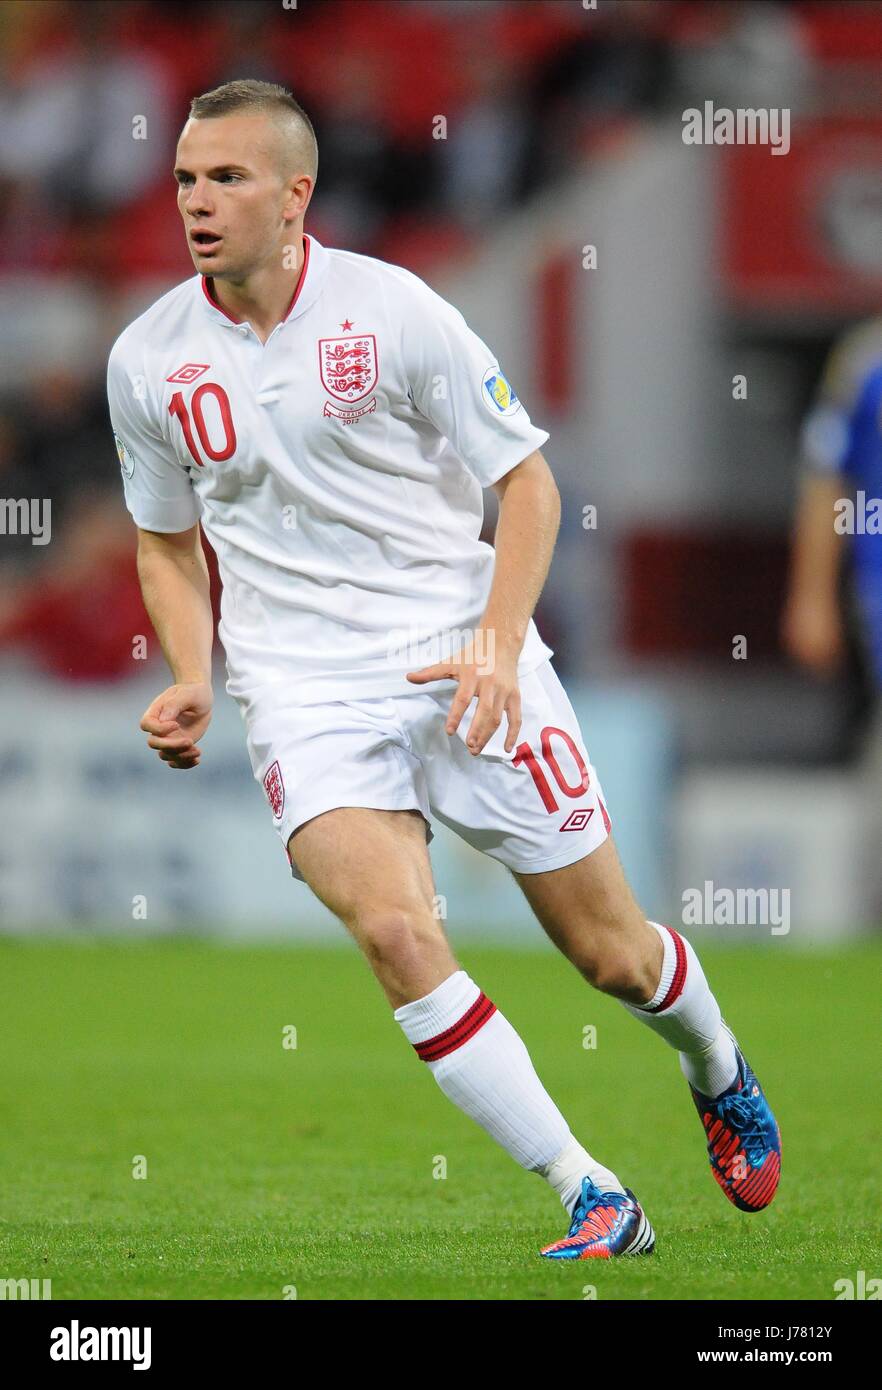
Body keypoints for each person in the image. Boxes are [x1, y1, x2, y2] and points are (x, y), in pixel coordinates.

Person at [107, 79, 780, 1260]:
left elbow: (525, 482)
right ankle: (591, 1192)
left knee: (611, 953)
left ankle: (717, 1064)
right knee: (396, 931)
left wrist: (498, 643)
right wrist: (194, 672)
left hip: (459, 655)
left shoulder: (396, 312)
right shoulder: (147, 360)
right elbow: (167, 542)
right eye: (184, 181)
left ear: (297, 195)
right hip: (303, 690)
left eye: (228, 178)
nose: (198, 203)